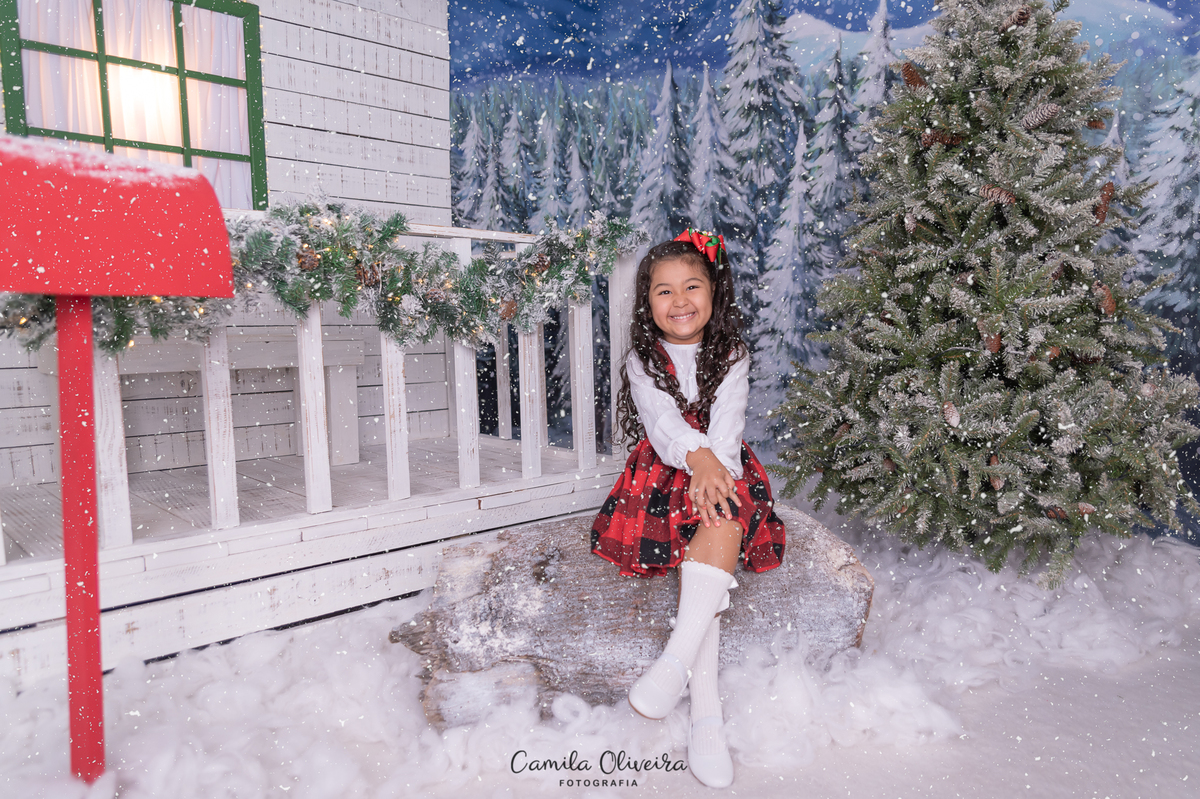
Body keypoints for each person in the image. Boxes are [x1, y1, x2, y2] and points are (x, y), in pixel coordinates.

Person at [591, 231, 786, 789]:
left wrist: (714, 470)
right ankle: (706, 713)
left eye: (692, 286)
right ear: (647, 303)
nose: (679, 301)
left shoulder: (732, 354)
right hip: (663, 470)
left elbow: (729, 420)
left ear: (714, 292)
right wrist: (696, 461)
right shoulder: (642, 359)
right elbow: (662, 421)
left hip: (720, 467)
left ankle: (675, 667)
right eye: (664, 291)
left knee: (722, 518)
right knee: (712, 557)